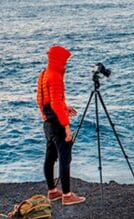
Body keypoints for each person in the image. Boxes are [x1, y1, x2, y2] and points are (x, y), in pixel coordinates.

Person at [36, 45, 86, 206]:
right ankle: (67, 195)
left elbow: (42, 100)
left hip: (48, 123)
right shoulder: (55, 77)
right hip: (58, 124)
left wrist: (60, 111)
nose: (65, 65)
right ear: (58, 60)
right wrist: (66, 127)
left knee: (50, 158)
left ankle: (52, 191)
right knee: (65, 158)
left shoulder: (43, 74)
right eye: (64, 61)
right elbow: (56, 103)